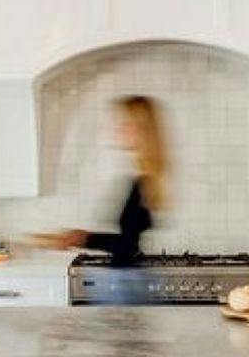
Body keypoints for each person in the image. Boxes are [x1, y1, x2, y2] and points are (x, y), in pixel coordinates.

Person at [33, 95, 165, 265]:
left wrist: (83, 239)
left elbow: (127, 246)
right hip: (127, 279)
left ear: (142, 131)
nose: (120, 129)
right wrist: (82, 237)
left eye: (127, 124)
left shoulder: (143, 183)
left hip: (127, 282)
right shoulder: (145, 178)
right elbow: (128, 240)